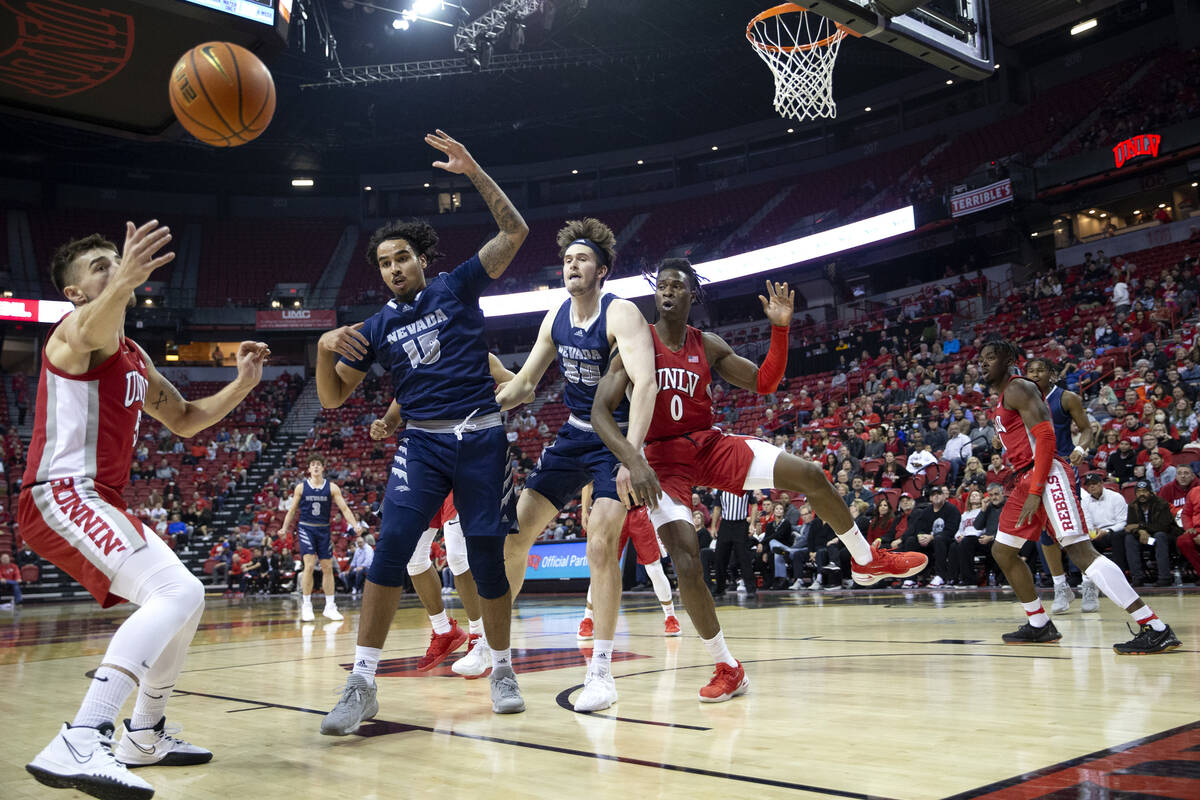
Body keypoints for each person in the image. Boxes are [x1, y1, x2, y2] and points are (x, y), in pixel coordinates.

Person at [590, 260, 926, 702]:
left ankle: (864, 561)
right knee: (687, 562)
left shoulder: (706, 345)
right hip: (661, 463)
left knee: (809, 473)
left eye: (678, 285)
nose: (668, 290)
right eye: (663, 285)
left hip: (709, 445)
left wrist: (781, 330)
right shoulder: (636, 344)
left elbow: (766, 383)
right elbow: (600, 412)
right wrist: (633, 460)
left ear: (693, 296)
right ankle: (727, 665)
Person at [19, 221, 271, 797]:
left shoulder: (133, 356)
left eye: (117, 260)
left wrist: (243, 384)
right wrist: (127, 275)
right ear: (75, 293)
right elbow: (95, 325)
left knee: (190, 596)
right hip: (60, 492)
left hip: (97, 498)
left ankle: (144, 734)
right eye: (99, 267)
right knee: (174, 593)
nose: (114, 268)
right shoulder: (72, 333)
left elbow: (184, 419)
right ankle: (82, 735)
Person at [316, 130, 529, 730]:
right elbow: (332, 398)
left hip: (482, 434)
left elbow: (515, 232)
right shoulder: (375, 328)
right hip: (422, 442)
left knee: (485, 559)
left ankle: (503, 665)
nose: (392, 269)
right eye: (383, 263)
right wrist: (322, 348)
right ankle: (361, 683)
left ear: (421, 259)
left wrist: (473, 169)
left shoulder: (456, 285)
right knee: (390, 551)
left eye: (401, 257)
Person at [494, 217, 656, 713]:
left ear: (602, 270)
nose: (572, 265)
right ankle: (491, 647)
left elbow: (645, 386)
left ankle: (601, 672)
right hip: (573, 433)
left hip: (616, 439)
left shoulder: (622, 313)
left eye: (582, 259)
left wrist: (632, 456)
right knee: (514, 535)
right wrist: (483, 407)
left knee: (601, 544)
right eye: (567, 260)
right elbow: (524, 385)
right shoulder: (555, 316)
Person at [978, 338, 1179, 653]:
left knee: (1081, 553)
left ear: (1008, 360)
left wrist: (1035, 489)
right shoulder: (1007, 396)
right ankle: (1039, 624)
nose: (983, 363)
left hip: (1044, 477)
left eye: (990, 357)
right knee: (1003, 551)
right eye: (981, 359)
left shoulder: (1019, 388)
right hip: (1023, 479)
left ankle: (1154, 627)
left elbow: (1045, 439)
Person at [370, 354, 531, 680]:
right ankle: (444, 630)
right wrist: (386, 423)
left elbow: (525, 388)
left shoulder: (479, 356)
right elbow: (401, 400)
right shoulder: (415, 355)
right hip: (424, 463)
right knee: (413, 558)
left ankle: (477, 637)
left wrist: (502, 395)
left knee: (459, 557)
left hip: (467, 461)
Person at [1023, 357, 1097, 614]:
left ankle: (1089, 583)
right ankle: (1060, 586)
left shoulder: (1066, 398)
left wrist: (1080, 448)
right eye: (1030, 371)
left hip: (1062, 469)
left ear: (1052, 374)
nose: (1034, 374)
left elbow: (1087, 430)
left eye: (1040, 369)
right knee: (1046, 533)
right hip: (1034, 472)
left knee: (1073, 529)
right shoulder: (1021, 402)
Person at [576, 482, 681, 640]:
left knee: (653, 568)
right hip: (612, 511)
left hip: (640, 510)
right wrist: (585, 510)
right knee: (601, 568)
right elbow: (588, 483)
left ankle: (670, 617)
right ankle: (587, 619)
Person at [278, 455, 363, 622]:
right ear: (309, 469)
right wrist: (284, 527)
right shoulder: (301, 488)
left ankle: (330, 606)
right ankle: (307, 605)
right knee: (309, 566)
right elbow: (292, 510)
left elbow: (344, 509)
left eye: (318, 464)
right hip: (306, 528)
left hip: (324, 529)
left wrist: (355, 524)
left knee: (327, 567)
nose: (316, 467)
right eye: (313, 465)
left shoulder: (332, 488)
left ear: (323, 468)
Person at [1077, 472, 1124, 611]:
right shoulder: (1084, 501)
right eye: (1089, 485)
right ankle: (1089, 582)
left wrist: (1107, 531)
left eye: (1095, 484)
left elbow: (1122, 521)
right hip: (1096, 533)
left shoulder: (1116, 497)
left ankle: (1120, 576)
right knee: (1081, 542)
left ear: (1101, 484)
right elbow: (1087, 521)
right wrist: (1093, 533)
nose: (1092, 487)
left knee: (1118, 537)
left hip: (1114, 530)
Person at [1123, 480, 1180, 588]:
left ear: (1150, 492)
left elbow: (1163, 526)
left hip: (1166, 538)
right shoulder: (1133, 506)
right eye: (1139, 492)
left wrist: (1140, 527)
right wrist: (1141, 531)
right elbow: (1130, 527)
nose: (1141, 494)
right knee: (1129, 538)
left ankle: (1165, 577)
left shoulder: (1161, 504)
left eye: (1144, 491)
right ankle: (1138, 577)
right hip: (1145, 539)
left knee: (1159, 535)